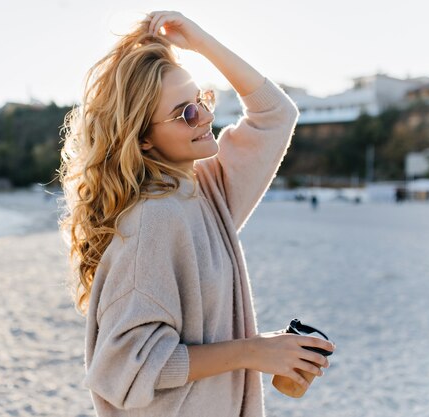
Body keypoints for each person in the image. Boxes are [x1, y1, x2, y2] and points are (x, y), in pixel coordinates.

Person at [58, 10, 335, 417]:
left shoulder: (204, 189)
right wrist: (254, 352)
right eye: (185, 113)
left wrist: (201, 42)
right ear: (145, 140)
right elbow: (123, 367)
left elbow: (276, 115)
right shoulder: (152, 219)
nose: (205, 116)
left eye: (201, 99)